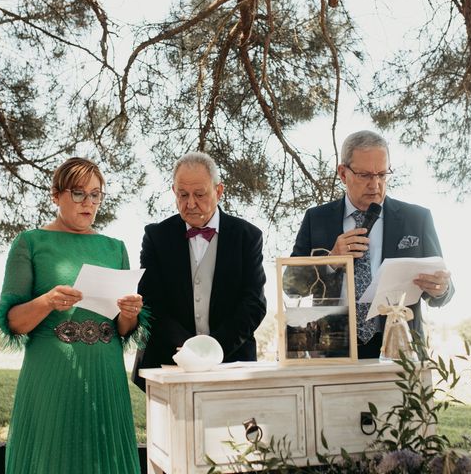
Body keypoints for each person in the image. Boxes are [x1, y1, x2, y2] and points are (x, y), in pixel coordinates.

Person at [0, 157, 148, 474]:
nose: (89, 203)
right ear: (55, 194)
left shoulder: (115, 248)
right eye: (79, 193)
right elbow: (12, 322)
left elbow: (121, 329)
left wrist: (130, 314)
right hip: (52, 373)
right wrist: (48, 301)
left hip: (106, 373)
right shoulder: (30, 243)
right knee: (52, 457)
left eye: (96, 195)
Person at [290, 130, 454, 358]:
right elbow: (291, 286)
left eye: (382, 174)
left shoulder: (417, 219)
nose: (375, 184)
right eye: (365, 175)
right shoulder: (317, 219)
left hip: (401, 350)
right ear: (342, 173)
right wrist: (331, 260)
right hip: (333, 351)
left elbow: (444, 292)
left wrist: (441, 288)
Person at [132, 151, 267, 391]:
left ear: (219, 191)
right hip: (167, 362)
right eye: (183, 195)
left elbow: (254, 303)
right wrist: (188, 350)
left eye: (200, 194)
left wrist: (211, 349)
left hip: (231, 361)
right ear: (174, 192)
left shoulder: (248, 237)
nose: (190, 203)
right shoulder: (156, 237)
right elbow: (151, 302)